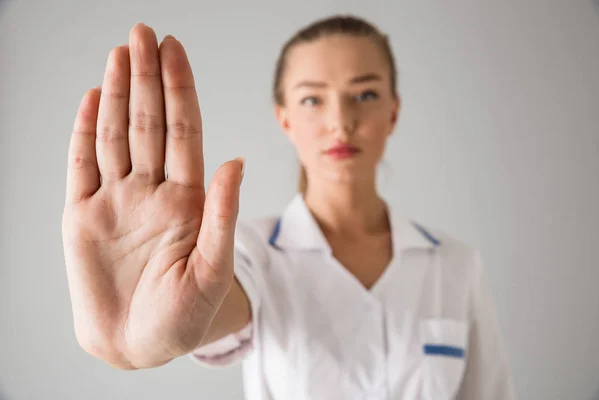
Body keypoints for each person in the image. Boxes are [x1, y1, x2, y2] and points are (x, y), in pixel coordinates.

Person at [62, 14, 516, 400]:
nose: (341, 122)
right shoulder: (251, 253)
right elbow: (218, 303)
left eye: (365, 94)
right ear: (285, 118)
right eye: (313, 99)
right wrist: (145, 333)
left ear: (393, 112)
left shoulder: (456, 265)